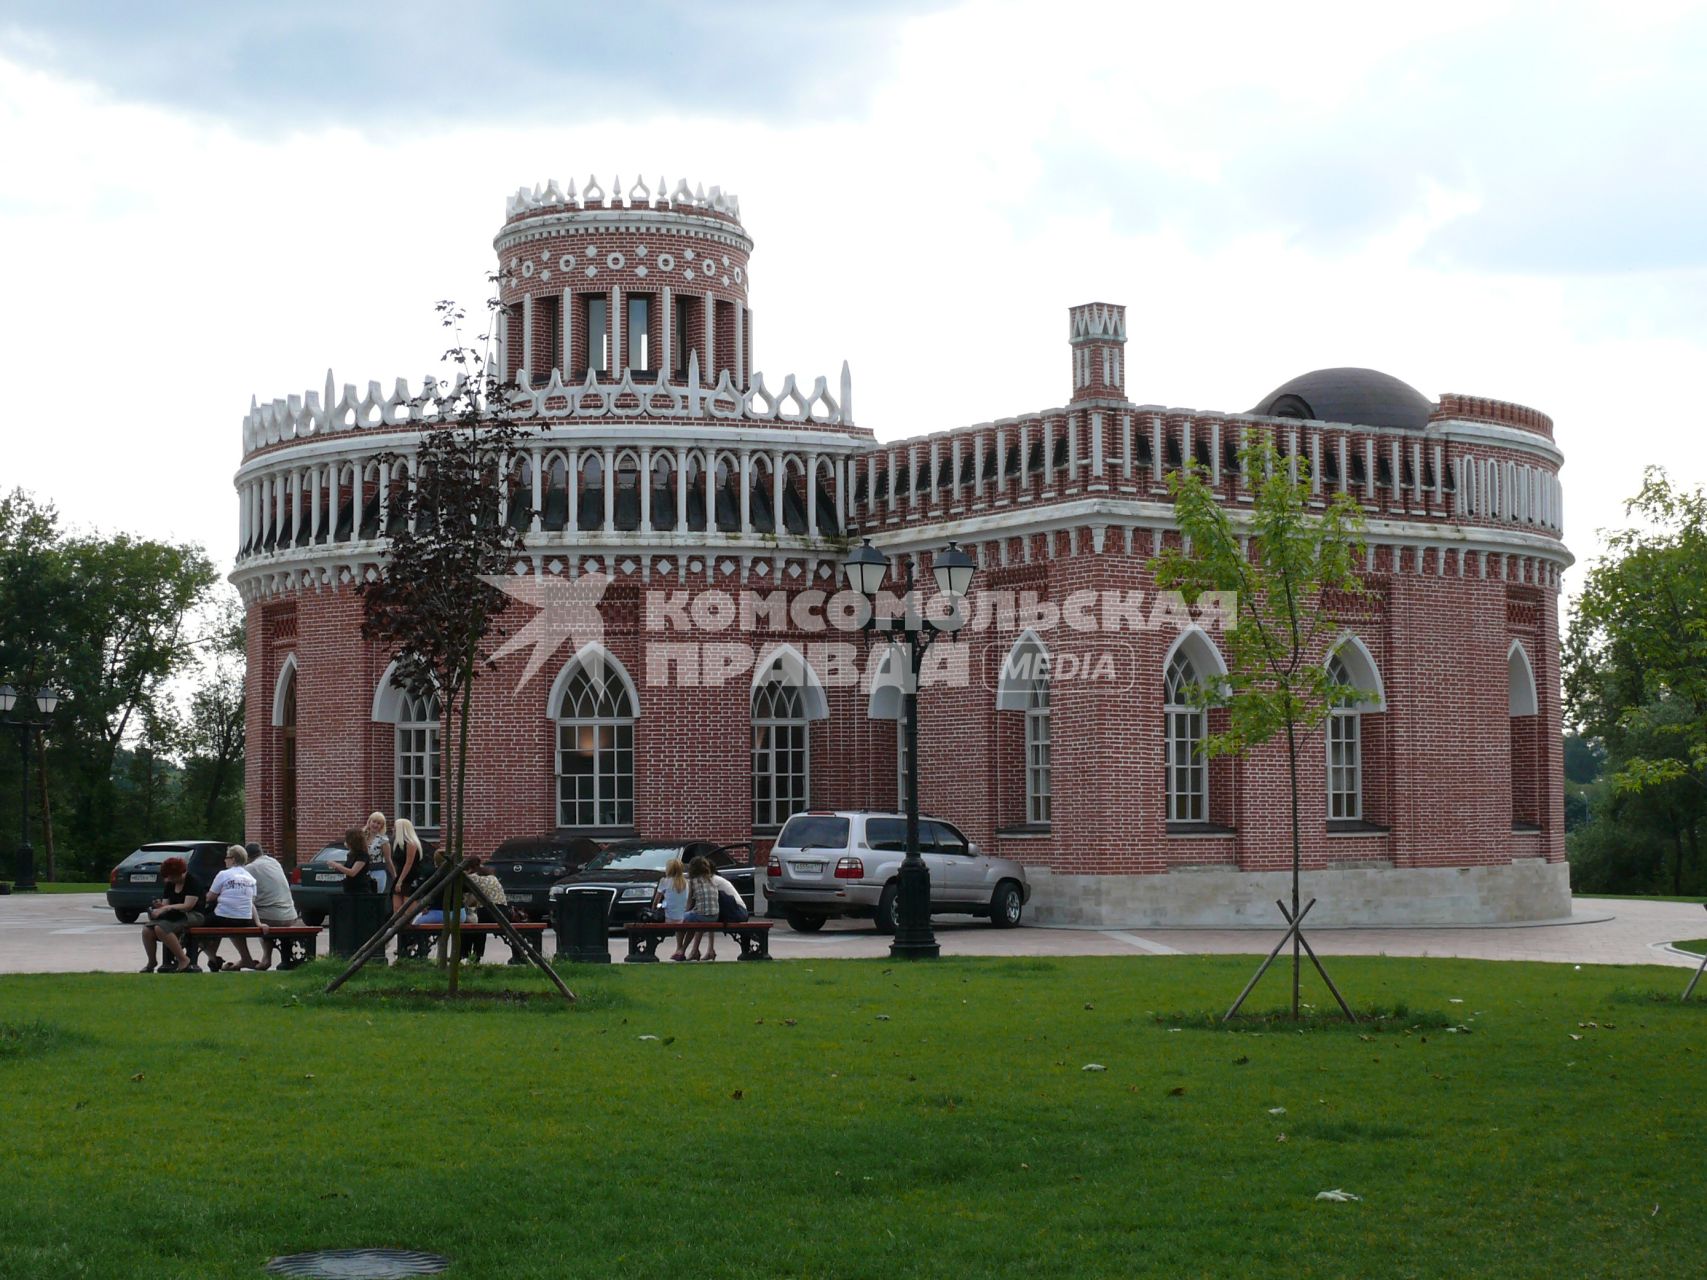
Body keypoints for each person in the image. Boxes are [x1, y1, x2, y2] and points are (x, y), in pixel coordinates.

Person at [202, 845, 268, 972]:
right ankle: (215, 959)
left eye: (226, 857)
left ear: (233, 859)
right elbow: (250, 903)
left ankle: (212, 957)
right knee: (221, 924)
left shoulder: (223, 874)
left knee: (196, 925)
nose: (224, 860)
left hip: (223, 917)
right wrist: (258, 923)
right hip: (244, 919)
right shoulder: (251, 878)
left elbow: (210, 897)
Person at [139, 855, 206, 973]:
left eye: (171, 877)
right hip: (175, 916)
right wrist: (159, 907)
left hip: (194, 915)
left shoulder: (193, 881)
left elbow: (188, 906)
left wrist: (167, 908)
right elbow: (165, 905)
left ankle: (183, 959)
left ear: (180, 873)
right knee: (147, 930)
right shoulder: (170, 884)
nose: (168, 880)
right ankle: (151, 962)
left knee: (161, 928)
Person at [244, 841, 299, 971]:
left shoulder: (250, 868)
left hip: (272, 917)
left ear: (248, 857)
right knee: (264, 913)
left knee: (239, 920)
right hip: (291, 914)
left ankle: (257, 958)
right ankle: (279, 958)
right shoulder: (274, 862)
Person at [682, 856, 723, 962]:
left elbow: (690, 903)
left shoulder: (692, 881)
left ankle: (681, 949)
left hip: (701, 916)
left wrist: (684, 913)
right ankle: (694, 951)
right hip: (715, 916)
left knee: (683, 919)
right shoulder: (712, 880)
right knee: (697, 922)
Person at [652, 857, 691, 961]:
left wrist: (653, 909)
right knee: (680, 919)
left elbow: (656, 901)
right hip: (683, 917)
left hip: (669, 918)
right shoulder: (686, 882)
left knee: (670, 912)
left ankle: (679, 949)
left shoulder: (664, 881)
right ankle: (680, 948)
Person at [389, 818, 424, 918]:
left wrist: (400, 880)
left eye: (395, 828)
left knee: (408, 909)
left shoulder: (411, 844)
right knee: (397, 908)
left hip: (410, 877)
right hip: (400, 875)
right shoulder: (398, 844)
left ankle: (409, 930)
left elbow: (408, 863)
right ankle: (398, 930)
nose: (393, 830)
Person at [363, 812, 392, 896]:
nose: (375, 825)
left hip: (377, 872)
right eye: (374, 822)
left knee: (376, 897)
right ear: (369, 822)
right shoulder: (361, 837)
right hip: (362, 872)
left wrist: (395, 877)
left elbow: (388, 860)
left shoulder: (383, 840)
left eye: (378, 823)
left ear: (382, 826)